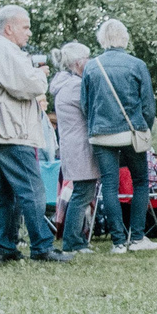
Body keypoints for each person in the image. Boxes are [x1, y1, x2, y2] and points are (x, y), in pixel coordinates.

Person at [0, 4, 63, 263]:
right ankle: (42, 247)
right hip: (11, 131)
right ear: (8, 28)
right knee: (32, 190)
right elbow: (28, 86)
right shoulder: (4, 50)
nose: (29, 33)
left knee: (2, 194)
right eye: (25, 27)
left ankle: (5, 248)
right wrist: (39, 74)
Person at [83, 17, 157, 253]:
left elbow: (85, 104)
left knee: (109, 184)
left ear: (102, 39)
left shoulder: (91, 66)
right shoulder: (136, 65)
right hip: (131, 132)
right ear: (124, 37)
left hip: (101, 134)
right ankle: (136, 238)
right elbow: (148, 105)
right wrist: (143, 128)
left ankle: (118, 241)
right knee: (140, 181)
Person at [47, 41, 98, 255]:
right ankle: (73, 241)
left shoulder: (64, 84)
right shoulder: (76, 86)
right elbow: (92, 111)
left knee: (81, 193)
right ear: (78, 63)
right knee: (82, 194)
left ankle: (75, 239)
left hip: (72, 145)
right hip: (80, 147)